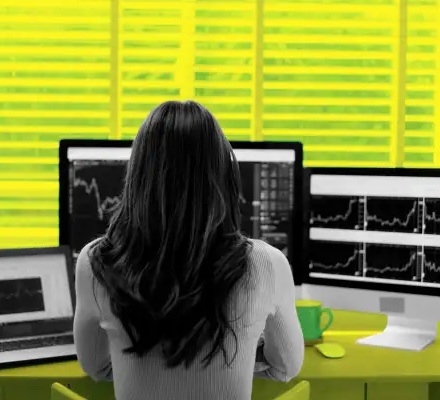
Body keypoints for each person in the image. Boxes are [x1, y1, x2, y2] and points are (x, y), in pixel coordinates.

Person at [74, 100, 304, 400]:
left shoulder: (95, 262)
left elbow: (97, 367)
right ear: (223, 176)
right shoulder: (267, 263)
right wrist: (237, 357)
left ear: (138, 176)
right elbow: (286, 367)